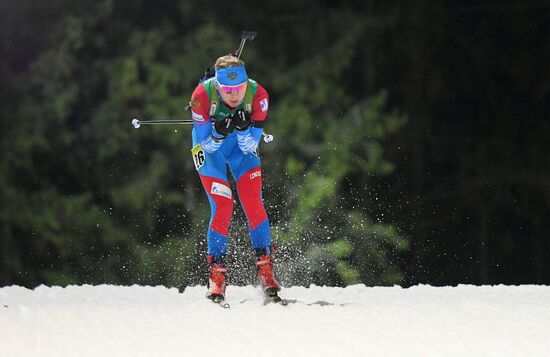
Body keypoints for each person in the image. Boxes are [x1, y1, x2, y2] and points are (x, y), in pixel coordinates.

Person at [189, 55, 280, 302]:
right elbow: (207, 145)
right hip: (211, 151)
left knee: (253, 201)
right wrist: (219, 132)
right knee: (223, 204)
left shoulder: (258, 95)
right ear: (217, 86)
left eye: (239, 88)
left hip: (241, 148)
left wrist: (241, 130)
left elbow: (251, 143)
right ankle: (216, 276)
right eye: (227, 90)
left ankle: (265, 269)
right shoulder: (201, 96)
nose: (234, 95)